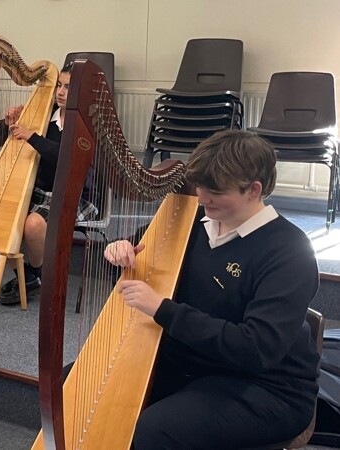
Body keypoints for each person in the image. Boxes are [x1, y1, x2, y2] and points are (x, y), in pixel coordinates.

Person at [103, 130, 319, 449]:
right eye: (201, 186)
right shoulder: (189, 222)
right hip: (193, 362)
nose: (202, 197)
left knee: (155, 431)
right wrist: (119, 255)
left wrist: (164, 309)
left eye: (215, 191)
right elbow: (136, 282)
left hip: (266, 385)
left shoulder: (289, 250)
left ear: (253, 190)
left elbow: (256, 350)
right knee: (78, 384)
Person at [0, 61, 98, 305]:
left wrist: (32, 137)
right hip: (41, 191)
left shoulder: (87, 125)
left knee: (34, 224)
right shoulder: (45, 114)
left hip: (72, 194)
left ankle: (33, 273)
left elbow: (67, 158)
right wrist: (7, 123)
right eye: (59, 84)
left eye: (68, 87)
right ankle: (33, 272)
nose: (60, 91)